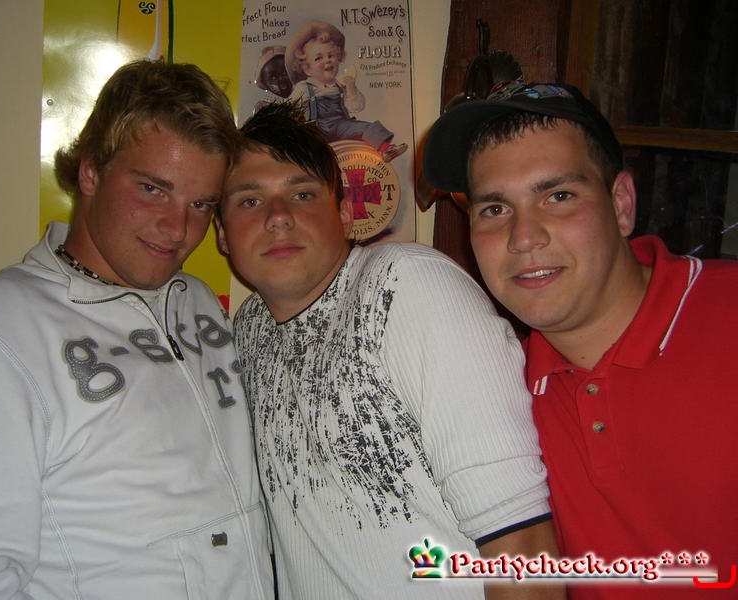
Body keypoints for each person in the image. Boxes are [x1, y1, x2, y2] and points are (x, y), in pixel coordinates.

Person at [0, 59, 274, 599]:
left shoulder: (197, 303)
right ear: (91, 170)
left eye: (199, 204)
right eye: (153, 189)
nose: (178, 228)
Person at [215, 101, 563, 599]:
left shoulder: (406, 283)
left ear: (344, 213)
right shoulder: (248, 329)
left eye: (303, 194)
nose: (278, 218)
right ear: (222, 235)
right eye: (250, 201)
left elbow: (522, 545)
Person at [423, 80, 738, 598]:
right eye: (495, 209)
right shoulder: (501, 391)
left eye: (558, 196)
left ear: (621, 204)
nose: (524, 238)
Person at [285, 21, 408, 162]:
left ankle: (386, 149)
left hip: (341, 126)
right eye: (319, 58)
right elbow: (290, 109)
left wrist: (351, 87)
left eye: (331, 56)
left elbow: (356, 107)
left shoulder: (340, 85)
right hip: (318, 131)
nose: (327, 61)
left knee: (366, 127)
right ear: (307, 69)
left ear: (339, 58)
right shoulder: (304, 88)